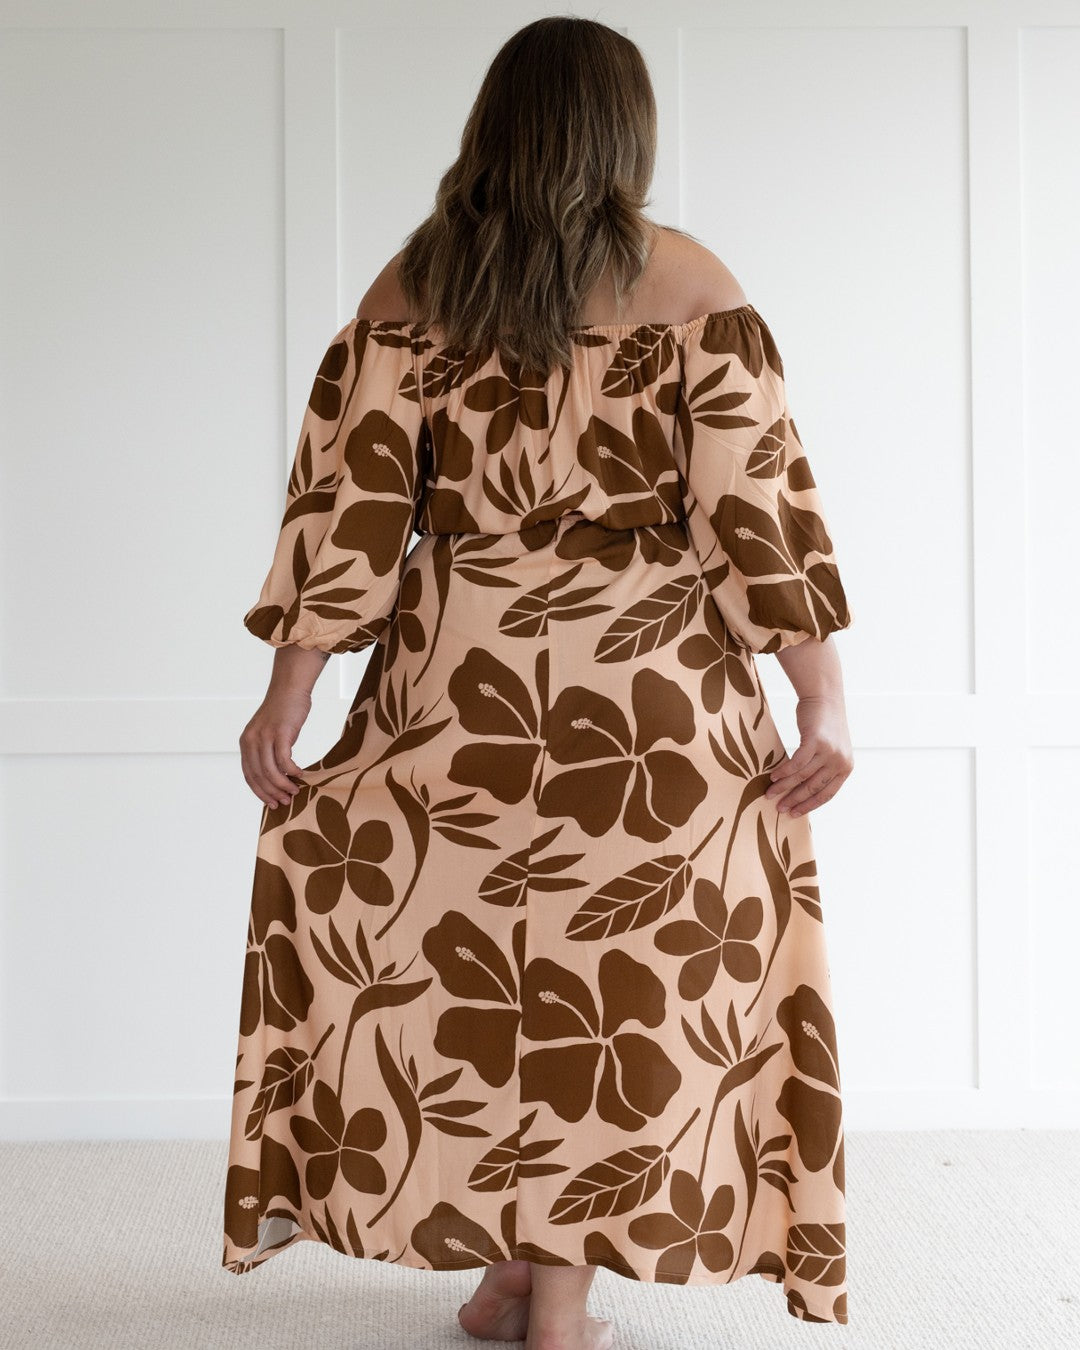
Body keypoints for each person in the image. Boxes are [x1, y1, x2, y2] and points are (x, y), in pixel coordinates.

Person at [224, 15, 855, 1347]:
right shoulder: (689, 283)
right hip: (656, 695)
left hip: (462, 686)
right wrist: (823, 695)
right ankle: (557, 1303)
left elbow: (349, 515)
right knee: (616, 981)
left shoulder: (414, 286)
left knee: (487, 970)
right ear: (624, 134)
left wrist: (288, 697)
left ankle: (526, 1276)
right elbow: (763, 515)